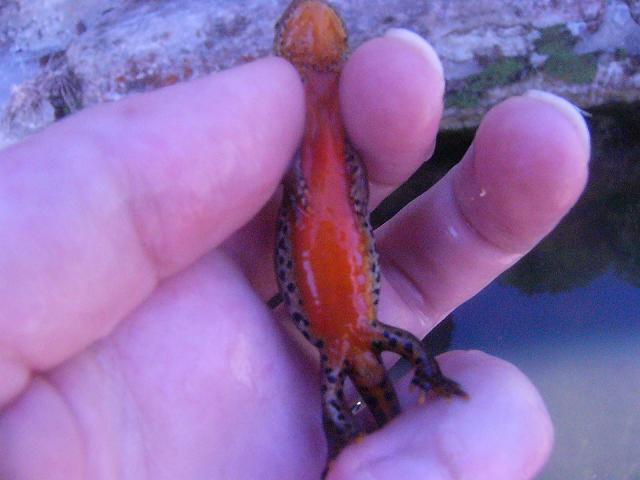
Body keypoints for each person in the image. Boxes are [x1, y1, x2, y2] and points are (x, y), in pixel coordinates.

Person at [0, 29, 589, 479]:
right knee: (372, 372)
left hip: (348, 314)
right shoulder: (346, 357)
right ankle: (353, 435)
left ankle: (359, 433)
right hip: (346, 312)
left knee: (378, 370)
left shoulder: (349, 355)